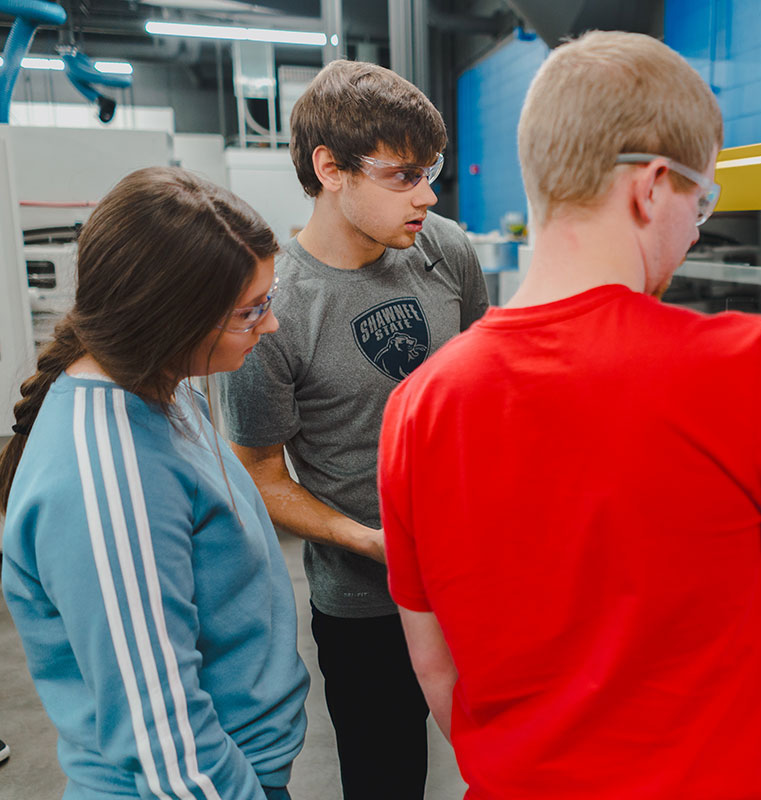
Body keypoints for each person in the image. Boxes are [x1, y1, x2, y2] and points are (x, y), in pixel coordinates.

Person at [377, 30, 761, 799]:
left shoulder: (417, 405)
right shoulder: (743, 370)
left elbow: (435, 664)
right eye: (702, 201)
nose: (697, 231)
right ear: (651, 186)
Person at [219, 60, 488, 799]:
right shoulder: (272, 313)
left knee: (511, 763)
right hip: (366, 606)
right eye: (403, 175)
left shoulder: (446, 250)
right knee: (386, 780)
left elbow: (484, 390)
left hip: (478, 577)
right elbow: (260, 473)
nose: (427, 196)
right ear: (330, 168)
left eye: (429, 172)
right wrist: (369, 541)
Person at [0, 167, 308, 800]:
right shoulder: (104, 477)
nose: (270, 326)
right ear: (171, 319)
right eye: (249, 312)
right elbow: (166, 744)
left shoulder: (164, 391)